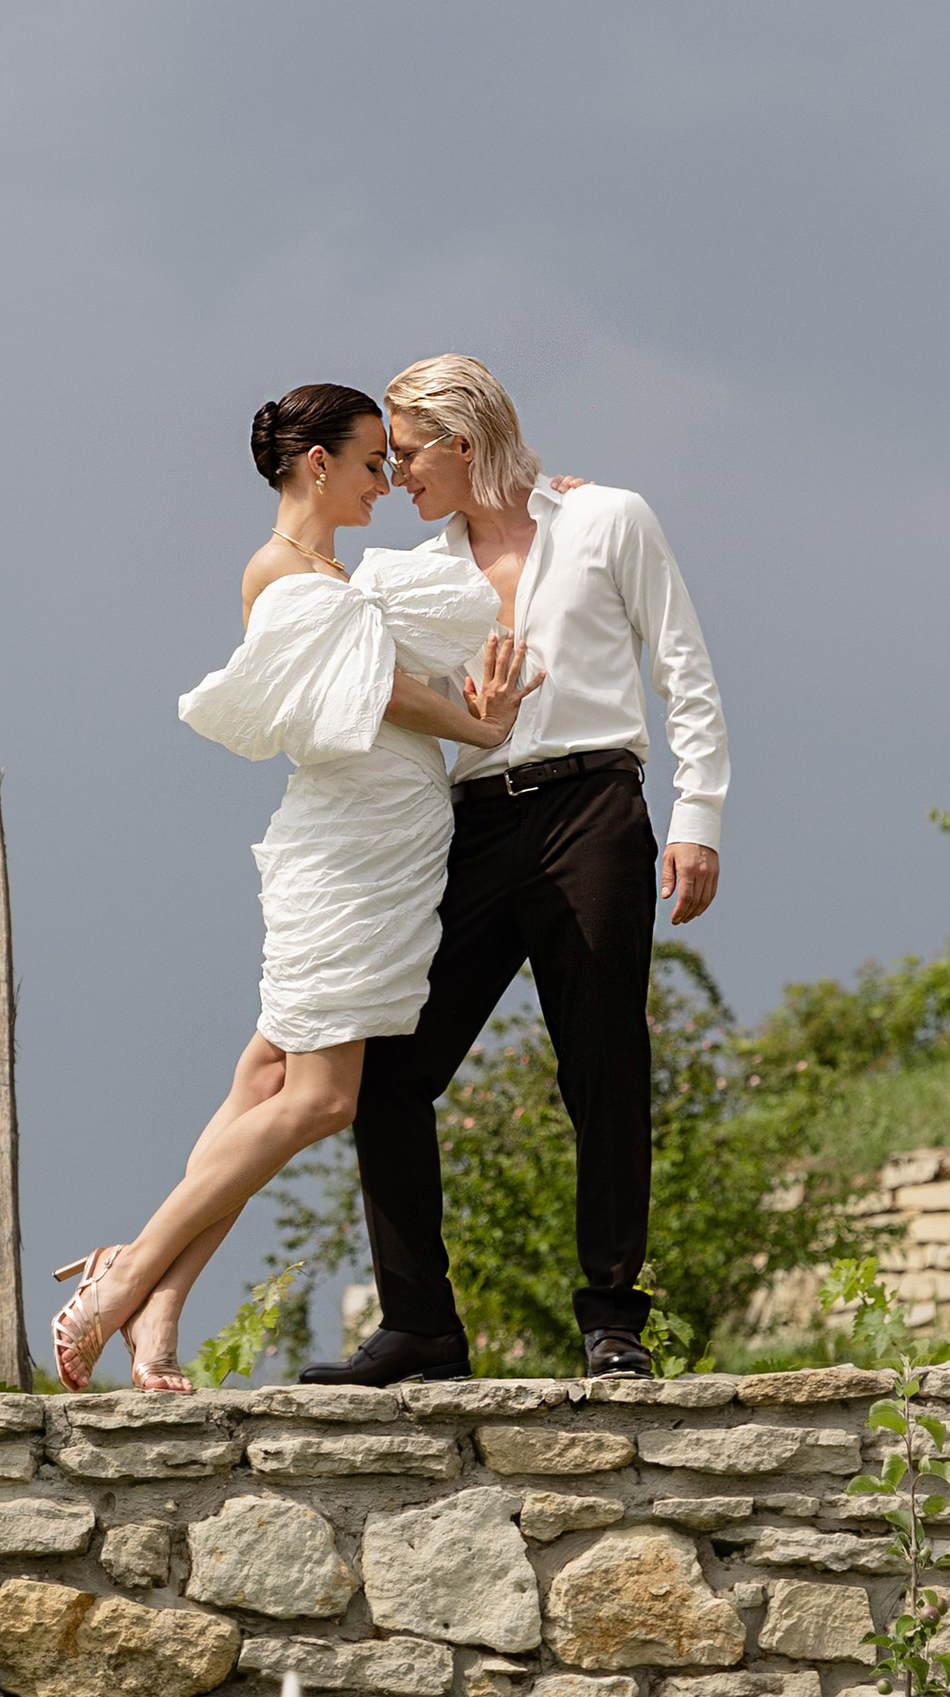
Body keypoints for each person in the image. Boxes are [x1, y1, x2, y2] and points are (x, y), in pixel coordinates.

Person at [50, 381, 539, 1391]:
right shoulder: (281, 574)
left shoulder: (334, 573)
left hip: (395, 850)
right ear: (316, 464)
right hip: (345, 856)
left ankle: (160, 1311)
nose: (386, 480)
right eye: (371, 463)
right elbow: (378, 688)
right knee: (320, 1101)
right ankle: (125, 1275)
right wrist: (483, 729)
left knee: (263, 1081)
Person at [311, 352, 729, 1388]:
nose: (397, 476)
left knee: (602, 1065)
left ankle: (612, 1322)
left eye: (407, 455)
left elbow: (681, 666)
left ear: (463, 443)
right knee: (388, 1070)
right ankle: (419, 1327)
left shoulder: (609, 519)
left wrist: (699, 816)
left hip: (595, 808)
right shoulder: (408, 573)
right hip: (470, 828)